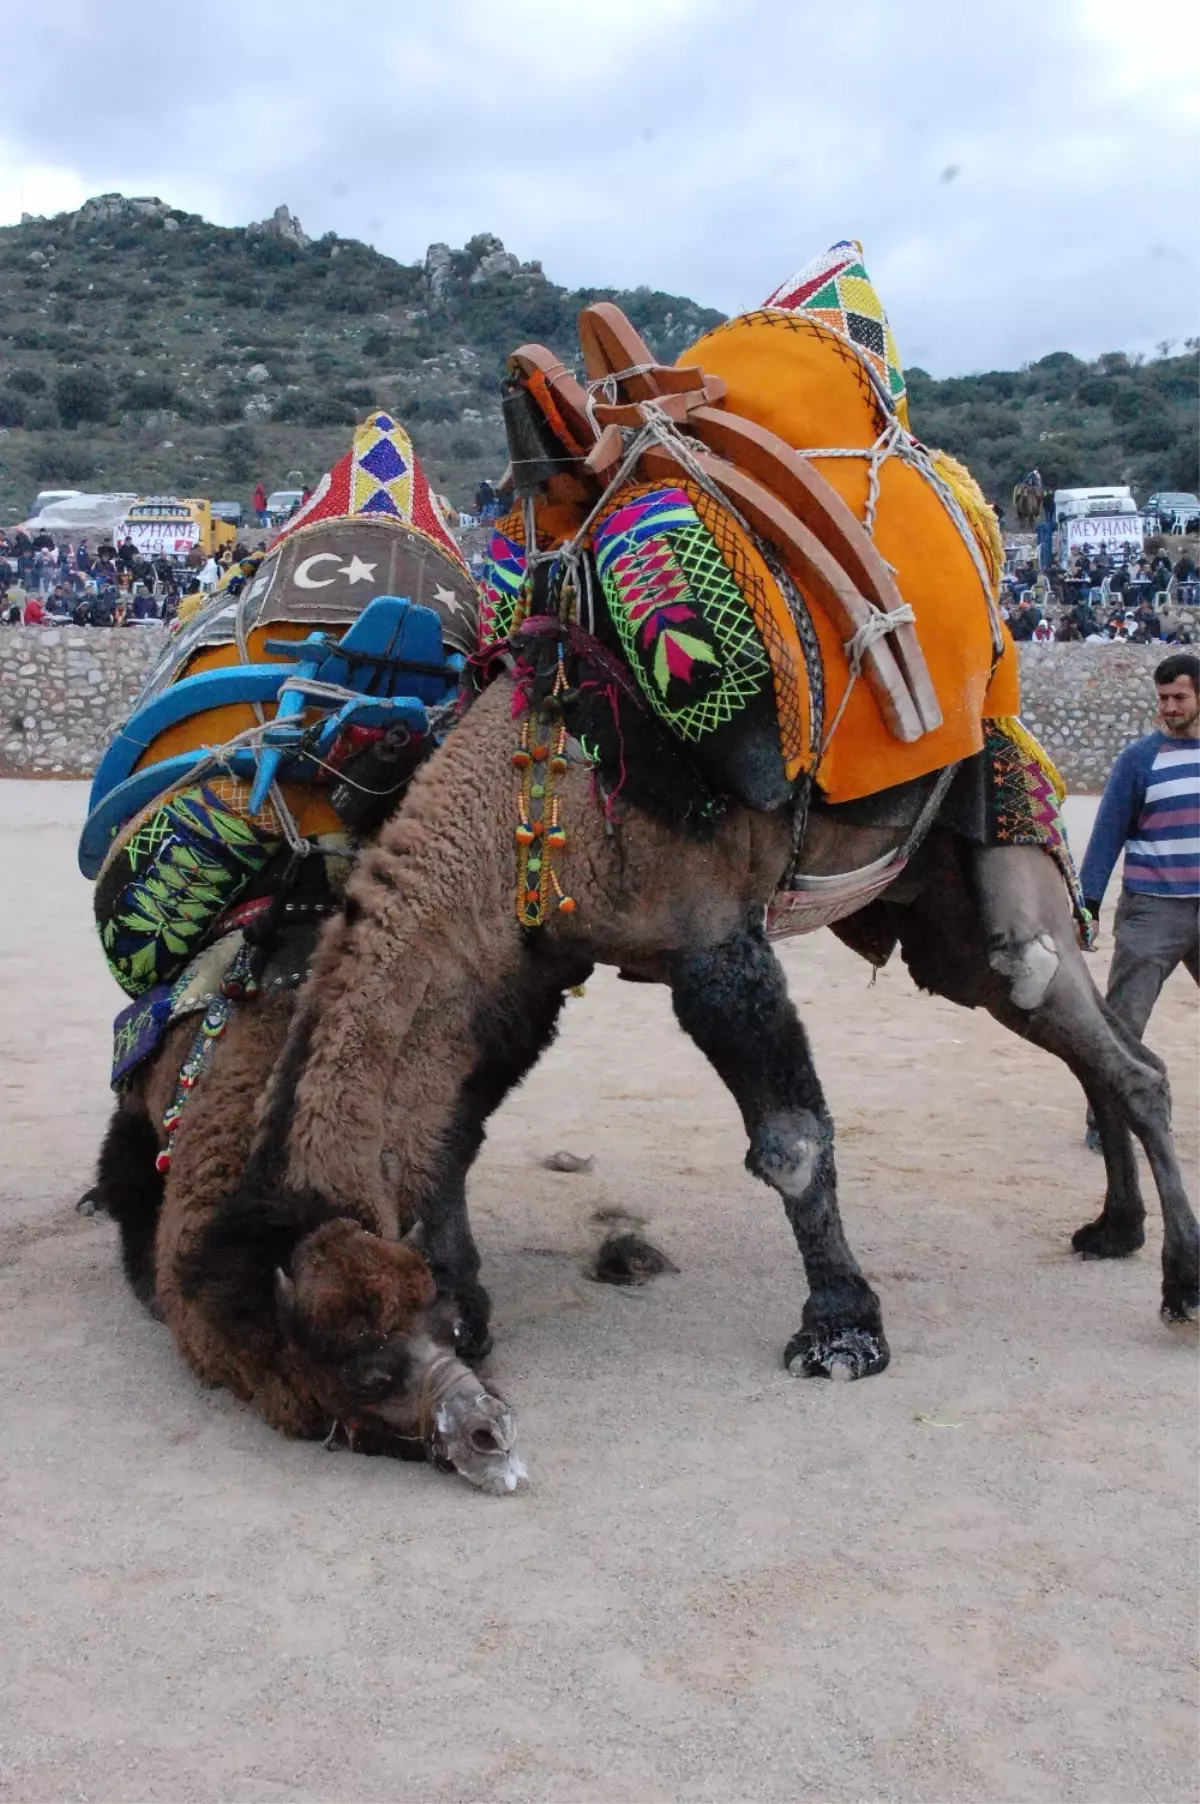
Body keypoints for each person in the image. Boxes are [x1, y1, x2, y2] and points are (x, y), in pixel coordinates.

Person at [1079, 653, 1200, 1146]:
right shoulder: (1140, 760)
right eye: (1163, 699)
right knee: (1124, 1021)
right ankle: (1104, 1122)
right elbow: (1107, 833)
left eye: (1179, 698)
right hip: (1152, 909)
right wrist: (1087, 901)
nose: (1169, 707)